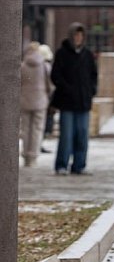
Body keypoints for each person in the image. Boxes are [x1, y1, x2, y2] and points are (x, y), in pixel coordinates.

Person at [51, 23, 98, 176]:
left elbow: (93, 75)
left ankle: (79, 165)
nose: (78, 38)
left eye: (80, 35)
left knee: (82, 135)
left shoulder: (88, 55)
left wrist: (91, 91)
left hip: (83, 101)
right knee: (66, 136)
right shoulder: (62, 53)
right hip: (67, 102)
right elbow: (55, 75)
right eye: (76, 35)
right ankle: (61, 164)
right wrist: (67, 88)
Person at [19, 42, 52, 167]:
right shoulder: (45, 66)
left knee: (25, 129)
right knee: (37, 130)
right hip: (40, 101)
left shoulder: (22, 66)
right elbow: (50, 84)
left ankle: (26, 156)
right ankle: (33, 157)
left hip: (25, 101)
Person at [39, 44, 55, 153]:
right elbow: (51, 85)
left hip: (32, 100)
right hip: (44, 99)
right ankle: (39, 144)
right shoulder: (46, 67)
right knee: (43, 124)